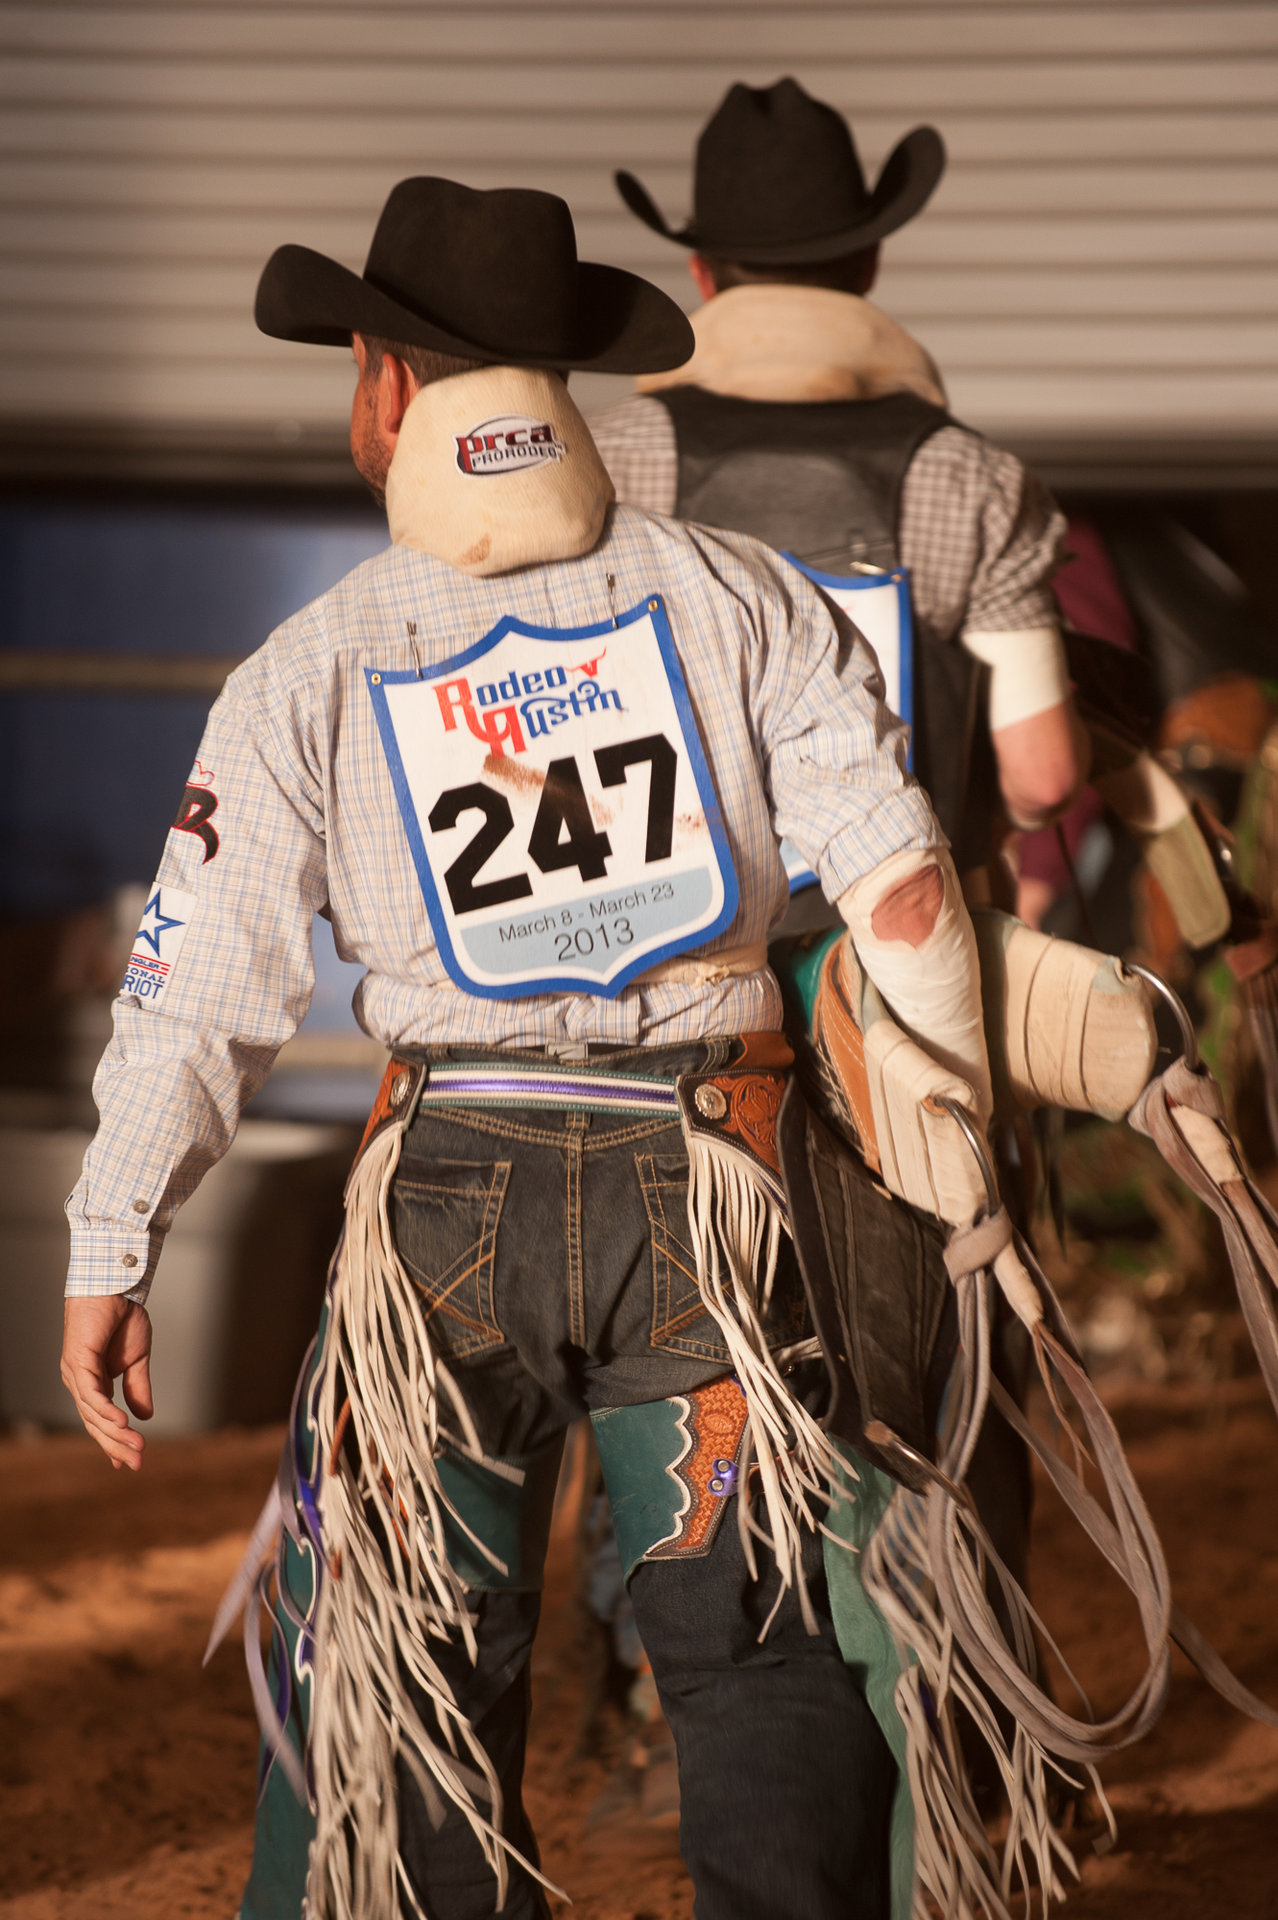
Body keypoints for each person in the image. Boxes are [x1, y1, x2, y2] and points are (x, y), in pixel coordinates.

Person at [60, 176, 1005, 1920]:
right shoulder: (740, 599)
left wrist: (114, 1240)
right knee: (759, 1652)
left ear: (380, 377)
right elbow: (902, 905)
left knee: (404, 1657)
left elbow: (202, 984)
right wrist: (964, 1175)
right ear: (566, 380)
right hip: (709, 1194)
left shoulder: (311, 666)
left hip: (442, 1210)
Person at [593, 76, 1087, 891]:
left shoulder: (604, 461)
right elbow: (1045, 779)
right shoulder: (975, 480)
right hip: (906, 964)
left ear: (701, 274)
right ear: (870, 259)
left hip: (675, 970)